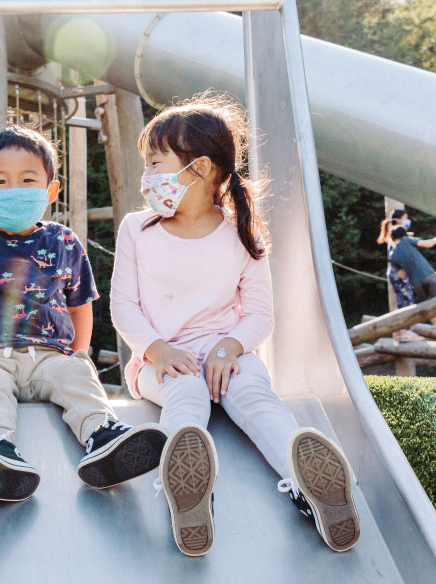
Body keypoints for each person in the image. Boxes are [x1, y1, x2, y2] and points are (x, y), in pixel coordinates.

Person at [111, 93, 360, 556]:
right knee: (183, 394)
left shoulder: (242, 231)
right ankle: (185, 487)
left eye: (155, 163)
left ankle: (307, 480)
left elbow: (260, 313)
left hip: (228, 353)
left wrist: (229, 348)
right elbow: (123, 306)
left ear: (200, 169)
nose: (148, 178)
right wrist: (157, 350)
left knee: (253, 394)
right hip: (160, 358)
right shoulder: (136, 229)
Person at [0, 126, 166, 503]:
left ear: (51, 190)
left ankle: (103, 435)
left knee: (77, 378)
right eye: (0, 181)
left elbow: (80, 305)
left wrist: (77, 355)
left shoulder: (62, 241)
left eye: (28, 180)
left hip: (49, 355)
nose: (15, 189)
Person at [377, 210, 423, 342]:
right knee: (407, 301)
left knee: (403, 301)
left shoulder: (394, 235)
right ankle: (404, 331)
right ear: (398, 220)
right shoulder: (395, 237)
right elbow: (396, 256)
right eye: (405, 218)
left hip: (395, 272)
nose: (407, 221)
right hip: (399, 272)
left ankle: (399, 332)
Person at [389, 227, 436, 304]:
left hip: (416, 284)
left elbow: (402, 276)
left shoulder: (392, 256)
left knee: (429, 307)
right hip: (428, 275)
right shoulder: (406, 241)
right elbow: (428, 244)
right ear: (404, 235)